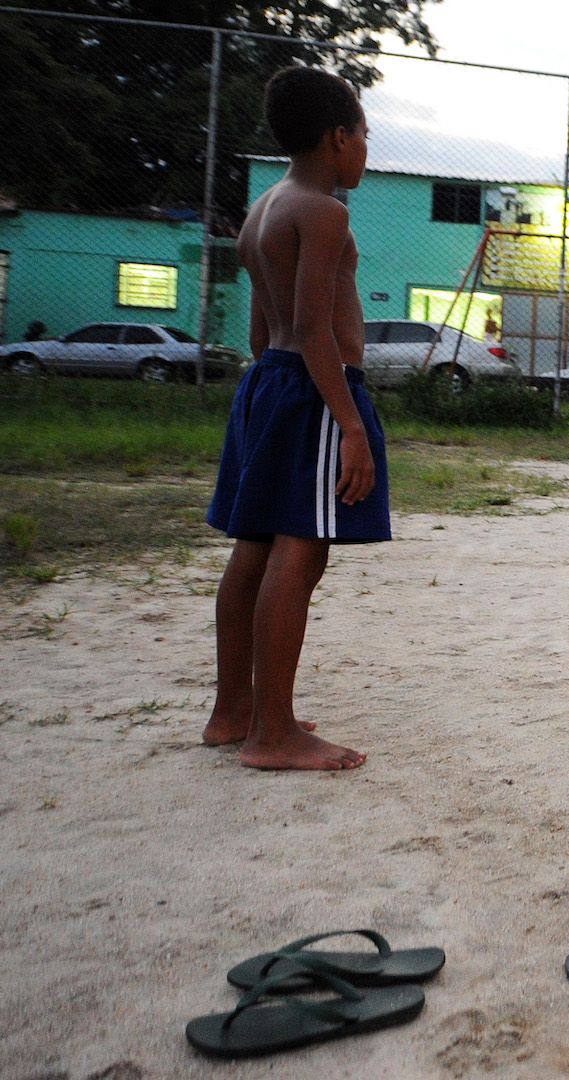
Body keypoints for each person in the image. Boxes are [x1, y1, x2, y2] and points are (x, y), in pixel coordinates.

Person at [200, 67, 383, 770]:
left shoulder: (263, 208)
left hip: (268, 384)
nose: (366, 149)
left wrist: (276, 395)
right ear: (338, 137)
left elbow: (262, 329)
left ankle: (234, 711)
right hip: (314, 390)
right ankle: (273, 733)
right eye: (364, 135)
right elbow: (314, 330)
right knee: (302, 546)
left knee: (255, 547)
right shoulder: (323, 211)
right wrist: (352, 425)